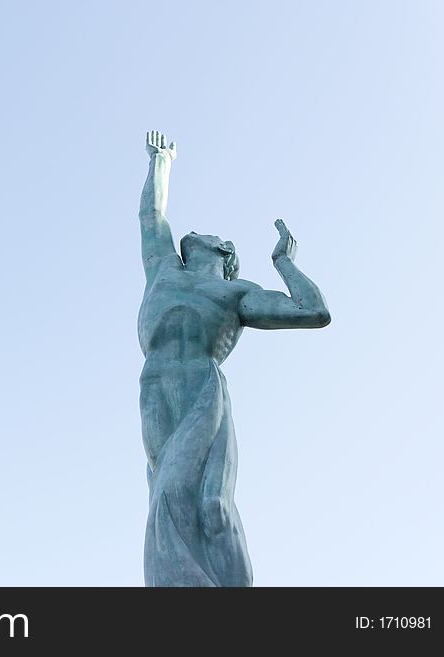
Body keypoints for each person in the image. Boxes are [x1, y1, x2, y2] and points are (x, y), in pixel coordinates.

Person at [138, 130, 330, 586]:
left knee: (211, 504)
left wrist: (283, 262)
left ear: (224, 252)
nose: (193, 232)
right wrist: (160, 162)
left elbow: (313, 311)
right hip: (155, 386)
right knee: (166, 495)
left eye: (207, 233)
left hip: (203, 389)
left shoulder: (235, 293)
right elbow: (152, 214)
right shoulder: (162, 269)